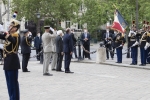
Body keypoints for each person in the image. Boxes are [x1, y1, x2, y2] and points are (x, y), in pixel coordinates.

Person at [0, 19, 20, 100]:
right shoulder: (9, 35)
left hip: (12, 61)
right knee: (9, 83)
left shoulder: (16, 35)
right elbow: (1, 36)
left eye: (11, 26)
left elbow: (14, 41)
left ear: (15, 28)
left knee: (13, 84)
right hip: (7, 60)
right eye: (10, 26)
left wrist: (7, 34)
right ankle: (11, 98)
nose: (10, 27)